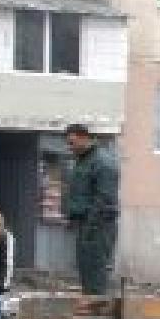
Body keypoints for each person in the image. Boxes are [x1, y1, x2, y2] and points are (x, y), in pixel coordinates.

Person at [62, 123, 120, 296]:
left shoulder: (102, 162)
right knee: (86, 267)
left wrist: (91, 225)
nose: (70, 147)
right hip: (86, 222)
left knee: (96, 267)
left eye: (72, 143)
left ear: (84, 138)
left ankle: (97, 307)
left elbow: (104, 199)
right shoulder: (83, 160)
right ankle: (91, 304)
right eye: (68, 143)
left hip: (99, 224)